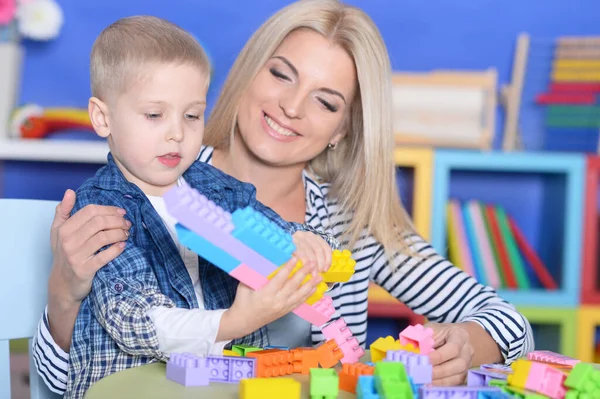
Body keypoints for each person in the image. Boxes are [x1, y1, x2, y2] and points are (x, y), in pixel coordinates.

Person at [33, 0, 534, 393]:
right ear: (250, 71)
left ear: (343, 128)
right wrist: (63, 291)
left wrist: (464, 345)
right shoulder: (151, 187)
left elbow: (513, 326)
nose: (291, 107)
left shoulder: (350, 224)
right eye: (280, 74)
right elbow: (62, 384)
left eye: (325, 101)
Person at [56, 15, 337, 399]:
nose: (177, 132)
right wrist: (236, 321)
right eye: (155, 115)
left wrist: (307, 242)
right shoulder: (101, 210)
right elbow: (135, 320)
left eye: (192, 115)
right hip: (132, 388)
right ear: (103, 118)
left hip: (224, 384)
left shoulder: (216, 188)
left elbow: (272, 230)